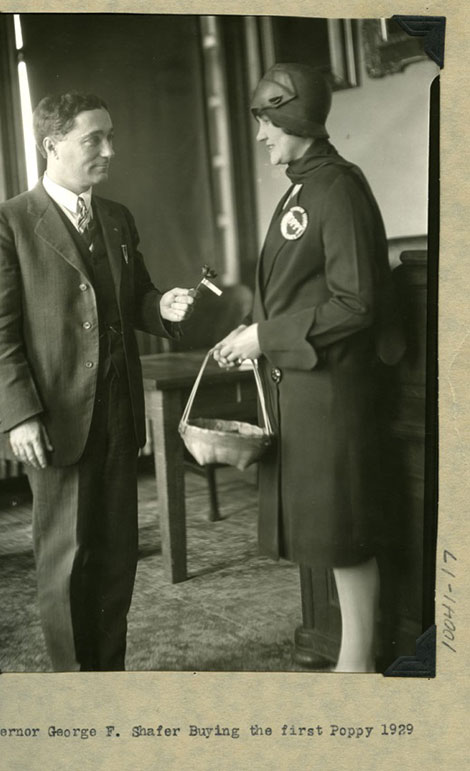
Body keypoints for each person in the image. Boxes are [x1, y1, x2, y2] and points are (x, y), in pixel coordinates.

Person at [0, 92, 195, 672]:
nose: (109, 150)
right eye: (94, 139)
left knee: (117, 556)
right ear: (53, 145)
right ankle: (75, 690)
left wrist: (161, 306)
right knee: (66, 559)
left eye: (110, 136)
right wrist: (19, 414)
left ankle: (109, 679)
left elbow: (135, 298)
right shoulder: (10, 222)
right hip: (55, 420)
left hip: (119, 415)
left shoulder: (117, 217)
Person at [213, 63, 405, 672]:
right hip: (304, 385)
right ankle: (353, 658)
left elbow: (358, 302)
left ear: (291, 118)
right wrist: (252, 334)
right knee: (327, 529)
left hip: (334, 391)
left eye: (268, 122)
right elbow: (297, 291)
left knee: (343, 532)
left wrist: (265, 336)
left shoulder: (336, 188)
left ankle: (357, 665)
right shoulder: (302, 186)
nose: (263, 135)